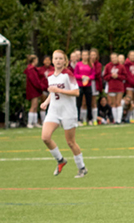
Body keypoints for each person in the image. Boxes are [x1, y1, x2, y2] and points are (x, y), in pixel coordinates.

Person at [40, 50, 88, 178]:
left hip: (68, 112)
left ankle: (82, 168)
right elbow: (52, 93)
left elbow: (76, 92)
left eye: (61, 58)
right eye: (55, 58)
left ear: (65, 61)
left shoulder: (68, 74)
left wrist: (59, 90)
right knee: (45, 137)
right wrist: (46, 102)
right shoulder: (50, 75)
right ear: (52, 60)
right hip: (54, 111)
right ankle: (61, 160)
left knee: (70, 142)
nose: (58, 61)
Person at [103, 52, 127, 123]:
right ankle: (115, 119)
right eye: (112, 58)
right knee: (113, 103)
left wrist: (118, 76)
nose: (114, 59)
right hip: (111, 87)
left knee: (118, 102)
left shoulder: (121, 66)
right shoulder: (108, 66)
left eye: (115, 57)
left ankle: (119, 120)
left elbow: (125, 77)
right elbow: (105, 77)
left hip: (119, 87)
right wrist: (111, 76)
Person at [74, 50, 94, 125]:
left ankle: (90, 119)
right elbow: (75, 75)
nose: (85, 56)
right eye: (83, 55)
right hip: (80, 86)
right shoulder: (78, 64)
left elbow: (93, 75)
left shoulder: (91, 64)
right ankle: (78, 119)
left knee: (89, 103)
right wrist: (81, 76)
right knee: (78, 103)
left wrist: (88, 77)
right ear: (81, 56)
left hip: (88, 86)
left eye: (86, 55)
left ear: (88, 56)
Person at [24, 55, 43, 129]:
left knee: (36, 106)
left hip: (35, 89)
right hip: (33, 89)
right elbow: (34, 81)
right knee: (33, 106)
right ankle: (30, 123)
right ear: (34, 60)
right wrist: (40, 86)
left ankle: (34, 122)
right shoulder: (31, 69)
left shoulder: (33, 69)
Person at [37, 55, 54, 123]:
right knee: (43, 104)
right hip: (44, 90)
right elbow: (38, 79)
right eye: (46, 60)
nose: (47, 61)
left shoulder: (53, 69)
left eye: (48, 60)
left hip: (52, 90)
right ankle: (43, 120)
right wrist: (42, 87)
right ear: (43, 61)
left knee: (52, 105)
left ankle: (52, 120)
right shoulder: (40, 69)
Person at [90, 48, 103, 124]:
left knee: (93, 102)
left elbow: (97, 74)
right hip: (85, 84)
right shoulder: (85, 63)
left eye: (94, 55)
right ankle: (86, 119)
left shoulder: (98, 65)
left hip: (94, 84)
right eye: (91, 55)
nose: (92, 56)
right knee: (85, 102)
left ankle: (94, 119)